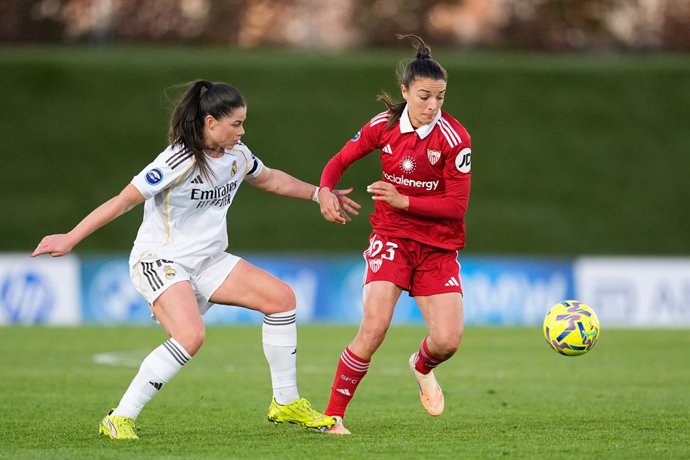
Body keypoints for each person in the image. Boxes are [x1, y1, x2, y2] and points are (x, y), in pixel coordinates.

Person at [31, 80, 360, 440]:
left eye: (243, 122)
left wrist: (319, 194)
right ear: (209, 122)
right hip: (160, 259)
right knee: (190, 335)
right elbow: (123, 200)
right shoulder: (177, 161)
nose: (242, 130)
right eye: (236, 123)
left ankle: (285, 402)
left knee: (282, 300)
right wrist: (70, 238)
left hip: (207, 260)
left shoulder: (238, 155)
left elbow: (270, 180)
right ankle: (120, 417)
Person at [316, 34, 472, 435]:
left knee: (448, 341)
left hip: (438, 247)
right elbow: (338, 162)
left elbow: (456, 207)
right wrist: (324, 193)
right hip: (392, 237)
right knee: (374, 326)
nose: (433, 106)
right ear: (405, 92)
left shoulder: (456, 139)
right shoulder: (383, 126)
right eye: (424, 96)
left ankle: (421, 366)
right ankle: (333, 417)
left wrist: (404, 200)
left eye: (440, 97)